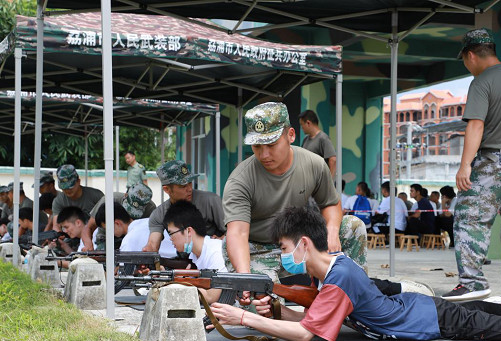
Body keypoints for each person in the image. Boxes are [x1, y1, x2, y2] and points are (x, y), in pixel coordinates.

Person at [209, 206, 501, 341]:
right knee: (492, 319)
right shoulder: (326, 274)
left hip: (435, 320)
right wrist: (275, 310)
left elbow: (306, 333)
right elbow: (312, 318)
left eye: (283, 247)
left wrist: (245, 317)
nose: (282, 256)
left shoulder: (339, 275)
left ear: (305, 245)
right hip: (422, 309)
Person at [442, 28, 501, 303]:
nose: (466, 64)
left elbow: (476, 123)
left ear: (471, 55)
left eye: (464, 59)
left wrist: (465, 166)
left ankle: (472, 282)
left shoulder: (482, 81)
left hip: (494, 159)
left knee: (469, 216)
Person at [222, 102, 367, 286]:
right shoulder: (240, 180)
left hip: (298, 242)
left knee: (352, 226)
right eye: (257, 146)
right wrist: (246, 280)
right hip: (256, 249)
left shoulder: (313, 164)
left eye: (272, 144)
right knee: (263, 306)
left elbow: (330, 203)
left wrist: (332, 232)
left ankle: (355, 295)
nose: (264, 154)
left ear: (291, 135)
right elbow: (238, 234)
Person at [143, 160, 226, 253]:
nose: (189, 189)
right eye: (182, 186)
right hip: (185, 262)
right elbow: (153, 244)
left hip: (214, 259)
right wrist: (148, 251)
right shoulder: (159, 214)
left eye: (190, 183)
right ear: (167, 189)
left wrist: (220, 241)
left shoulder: (211, 201)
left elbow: (234, 233)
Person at [163, 200, 227, 303]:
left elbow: (211, 297)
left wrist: (179, 283)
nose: (170, 239)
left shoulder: (215, 252)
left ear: (188, 231)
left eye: (171, 233)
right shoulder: (195, 255)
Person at [81, 183, 156, 250]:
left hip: (133, 239)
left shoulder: (151, 209)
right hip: (107, 238)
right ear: (125, 195)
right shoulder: (110, 200)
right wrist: (88, 245)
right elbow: (88, 227)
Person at [95, 202, 177, 257]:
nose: (110, 233)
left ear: (117, 223)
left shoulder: (129, 240)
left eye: (108, 229)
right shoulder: (147, 221)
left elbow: (124, 270)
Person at [51, 164, 104, 231]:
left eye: (70, 187)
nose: (67, 190)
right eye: (64, 188)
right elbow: (56, 226)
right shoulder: (58, 201)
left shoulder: (96, 196)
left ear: (78, 181)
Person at [299, 109, 337, 178]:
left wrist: (329, 182)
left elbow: (333, 159)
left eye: (302, 125)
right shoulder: (305, 139)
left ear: (308, 123)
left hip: (319, 181)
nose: (302, 128)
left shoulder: (323, 138)